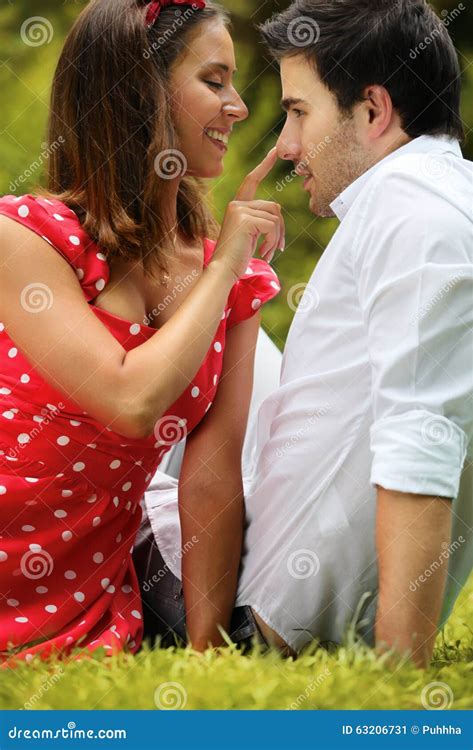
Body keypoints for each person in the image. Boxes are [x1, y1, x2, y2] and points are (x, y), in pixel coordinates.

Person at [142, 0, 473, 667]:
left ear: (374, 111)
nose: (286, 147)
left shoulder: (414, 217)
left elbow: (420, 436)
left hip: (244, 611)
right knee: (215, 319)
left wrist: (396, 675)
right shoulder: (440, 198)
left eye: (298, 112)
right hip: (270, 565)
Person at [0, 0, 284, 664]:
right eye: (214, 82)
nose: (238, 105)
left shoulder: (226, 273)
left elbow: (211, 473)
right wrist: (224, 268)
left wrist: (207, 653)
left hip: (87, 581)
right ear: (141, 92)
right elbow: (131, 404)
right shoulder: (27, 237)